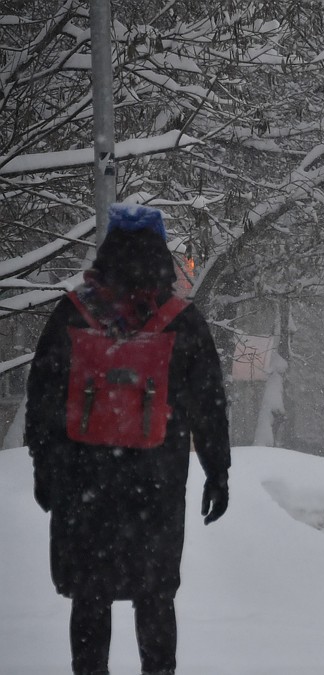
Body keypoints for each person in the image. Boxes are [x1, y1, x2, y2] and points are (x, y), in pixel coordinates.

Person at [25, 204, 231, 675]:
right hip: (155, 487)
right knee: (155, 598)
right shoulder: (182, 320)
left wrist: (44, 466)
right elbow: (210, 404)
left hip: (85, 485)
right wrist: (217, 473)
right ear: (161, 254)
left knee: (89, 597)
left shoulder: (75, 313)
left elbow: (43, 396)